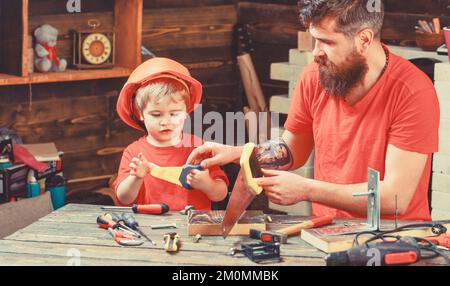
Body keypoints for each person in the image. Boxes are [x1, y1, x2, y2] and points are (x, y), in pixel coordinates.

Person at [187, 0, 439, 221]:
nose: (315, 52)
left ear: (364, 39)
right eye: (314, 38)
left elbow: (394, 198)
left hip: (396, 237)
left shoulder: (412, 91)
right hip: (326, 232)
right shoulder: (316, 76)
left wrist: (307, 190)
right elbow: (291, 149)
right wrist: (239, 153)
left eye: (327, 42)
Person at [113, 57, 228, 211]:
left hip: (193, 228)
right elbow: (123, 198)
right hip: (149, 226)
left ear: (186, 112)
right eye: (156, 114)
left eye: (174, 114)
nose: (166, 122)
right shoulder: (134, 153)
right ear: (141, 114)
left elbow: (220, 194)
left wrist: (208, 185)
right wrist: (136, 178)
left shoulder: (198, 148)